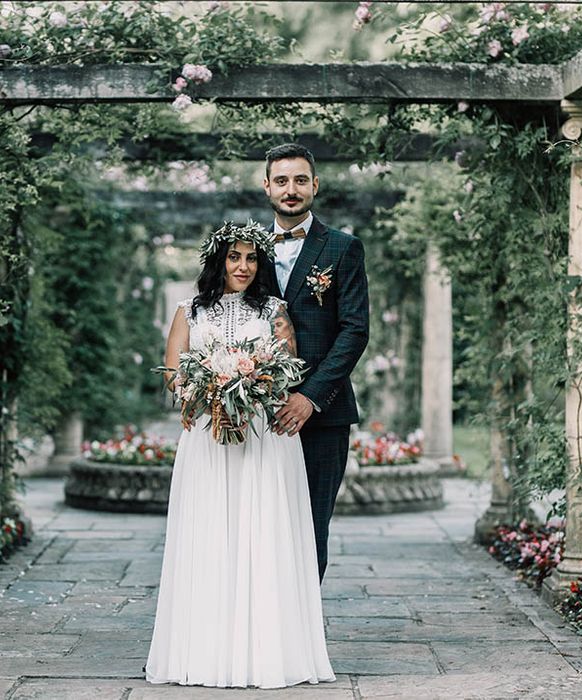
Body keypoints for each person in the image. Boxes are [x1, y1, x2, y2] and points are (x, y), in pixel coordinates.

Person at [144, 225, 335, 689]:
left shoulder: (275, 311)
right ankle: (206, 652)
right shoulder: (188, 311)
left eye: (251, 258)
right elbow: (174, 373)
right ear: (218, 261)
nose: (243, 266)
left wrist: (251, 390)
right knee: (209, 536)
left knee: (263, 535)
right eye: (234, 257)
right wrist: (206, 392)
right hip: (207, 438)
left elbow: (287, 370)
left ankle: (266, 653)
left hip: (263, 439)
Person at [261, 143, 369, 582]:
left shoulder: (343, 248)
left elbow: (354, 330)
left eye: (300, 180)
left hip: (322, 417)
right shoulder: (245, 250)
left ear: (315, 185)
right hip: (256, 415)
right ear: (267, 186)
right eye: (282, 180)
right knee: (257, 527)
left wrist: (310, 397)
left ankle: (302, 639)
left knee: (310, 528)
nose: (291, 189)